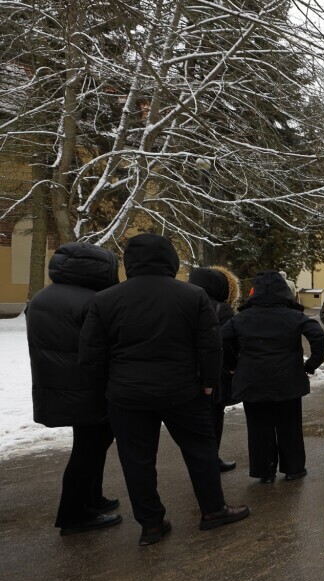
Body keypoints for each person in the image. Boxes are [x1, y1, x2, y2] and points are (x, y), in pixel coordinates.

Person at [79, 233, 249, 546]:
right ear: (170, 259)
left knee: (137, 460)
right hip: (182, 389)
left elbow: (91, 354)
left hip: (126, 394)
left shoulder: (104, 300)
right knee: (200, 451)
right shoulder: (192, 295)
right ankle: (213, 510)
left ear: (130, 262)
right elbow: (210, 345)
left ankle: (151, 524)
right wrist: (209, 383)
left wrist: (103, 390)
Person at [26, 242, 122, 536]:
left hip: (56, 384)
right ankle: (75, 515)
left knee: (88, 445)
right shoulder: (93, 301)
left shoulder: (42, 297)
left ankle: (92, 499)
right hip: (90, 387)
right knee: (88, 450)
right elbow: (105, 345)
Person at [223, 271, 324, 482]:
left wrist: (233, 364)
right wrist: (311, 364)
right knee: (290, 426)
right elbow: (318, 336)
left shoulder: (241, 318)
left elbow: (221, 340)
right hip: (287, 380)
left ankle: (264, 471)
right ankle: (294, 468)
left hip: (252, 380)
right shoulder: (294, 316)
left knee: (258, 428)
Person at [189, 265, 240, 473]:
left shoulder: (183, 302)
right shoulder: (221, 308)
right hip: (213, 372)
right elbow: (227, 342)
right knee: (213, 417)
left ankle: (198, 460)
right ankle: (211, 460)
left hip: (186, 370)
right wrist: (232, 366)